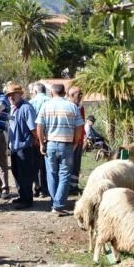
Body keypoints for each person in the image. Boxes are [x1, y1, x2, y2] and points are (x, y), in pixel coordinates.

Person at [36, 83, 84, 216]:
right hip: (66, 145)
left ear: (52, 93)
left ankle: (55, 203)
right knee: (64, 175)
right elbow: (79, 127)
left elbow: (39, 126)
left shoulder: (46, 106)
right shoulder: (72, 107)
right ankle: (58, 204)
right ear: (64, 93)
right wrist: (75, 143)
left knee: (51, 174)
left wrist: (41, 143)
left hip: (50, 144)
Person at [6, 82, 38, 210]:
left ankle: (27, 200)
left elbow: (34, 129)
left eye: (13, 94)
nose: (11, 97)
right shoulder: (13, 108)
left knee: (25, 175)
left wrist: (36, 142)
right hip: (14, 147)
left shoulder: (26, 108)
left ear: (20, 94)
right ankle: (22, 196)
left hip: (24, 148)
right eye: (9, 95)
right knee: (16, 173)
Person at [30, 82, 50, 197]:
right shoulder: (50, 101)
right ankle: (45, 189)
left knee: (35, 164)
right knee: (46, 165)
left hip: (34, 138)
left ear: (36, 91)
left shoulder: (31, 103)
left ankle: (36, 187)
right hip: (48, 138)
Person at [68, 86, 85, 195]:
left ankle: (74, 187)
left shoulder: (80, 107)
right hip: (69, 141)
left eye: (81, 94)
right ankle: (67, 187)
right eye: (79, 94)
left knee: (76, 165)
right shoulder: (68, 106)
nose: (80, 97)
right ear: (72, 95)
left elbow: (82, 124)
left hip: (78, 141)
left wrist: (82, 139)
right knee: (68, 165)